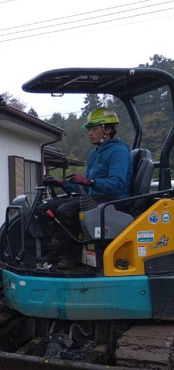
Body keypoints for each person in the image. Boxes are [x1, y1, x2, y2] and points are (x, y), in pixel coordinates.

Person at [38, 107, 133, 270]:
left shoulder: (119, 151)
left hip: (115, 200)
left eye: (94, 129)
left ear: (108, 129)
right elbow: (84, 186)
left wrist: (90, 181)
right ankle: (58, 250)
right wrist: (62, 183)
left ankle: (72, 258)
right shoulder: (95, 154)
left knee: (65, 210)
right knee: (45, 209)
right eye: (89, 129)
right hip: (95, 198)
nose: (90, 133)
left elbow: (116, 183)